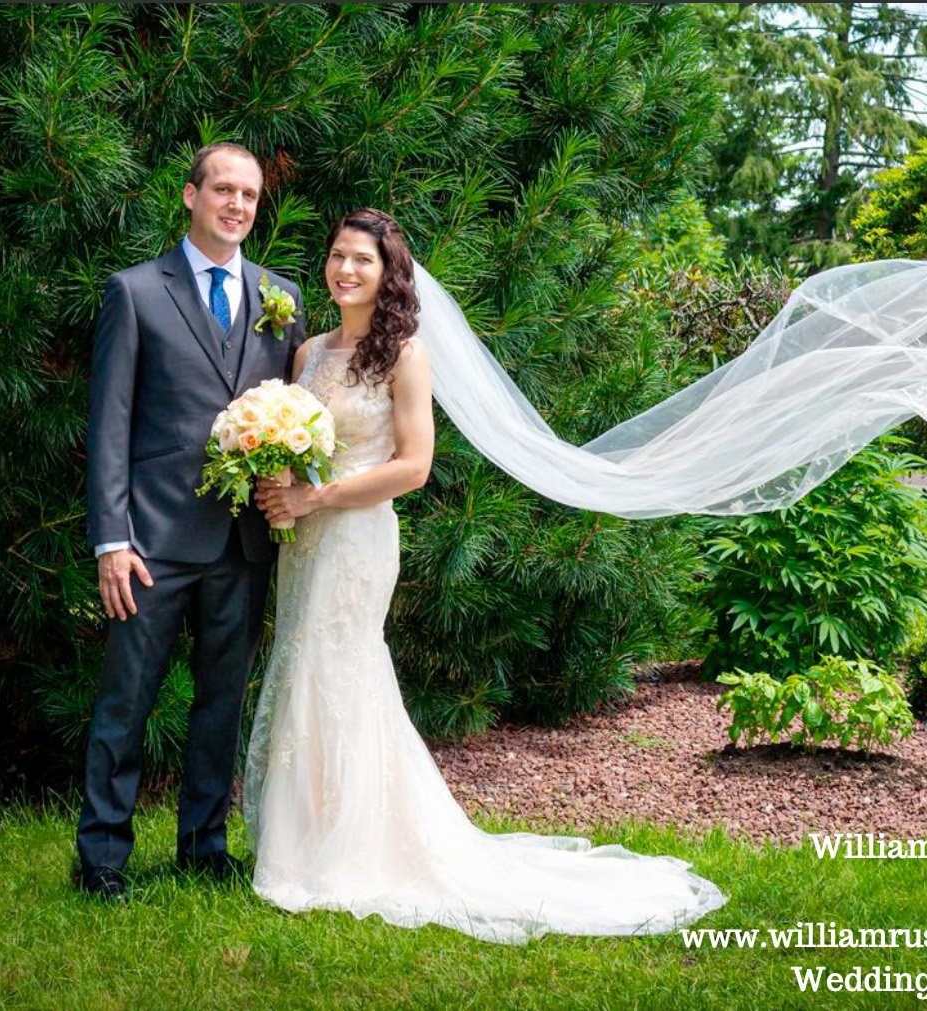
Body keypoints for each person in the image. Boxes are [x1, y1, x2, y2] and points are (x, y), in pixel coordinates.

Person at [246, 209, 728, 944]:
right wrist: (280, 482)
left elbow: (413, 466)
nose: (345, 270)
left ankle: (353, 845)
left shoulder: (402, 355)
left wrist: (320, 495)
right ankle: (305, 835)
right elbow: (297, 437)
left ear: (388, 274)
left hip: (355, 533)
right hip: (304, 537)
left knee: (338, 668)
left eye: (362, 261)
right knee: (303, 665)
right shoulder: (309, 349)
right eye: (338, 257)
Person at [77, 143, 307, 900]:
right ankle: (102, 855)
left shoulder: (283, 297)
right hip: (151, 541)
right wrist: (112, 539)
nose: (237, 204)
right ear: (190, 195)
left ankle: (204, 845)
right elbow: (110, 424)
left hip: (242, 542)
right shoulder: (136, 292)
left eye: (249, 194)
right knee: (127, 699)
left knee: (221, 702)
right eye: (223, 190)